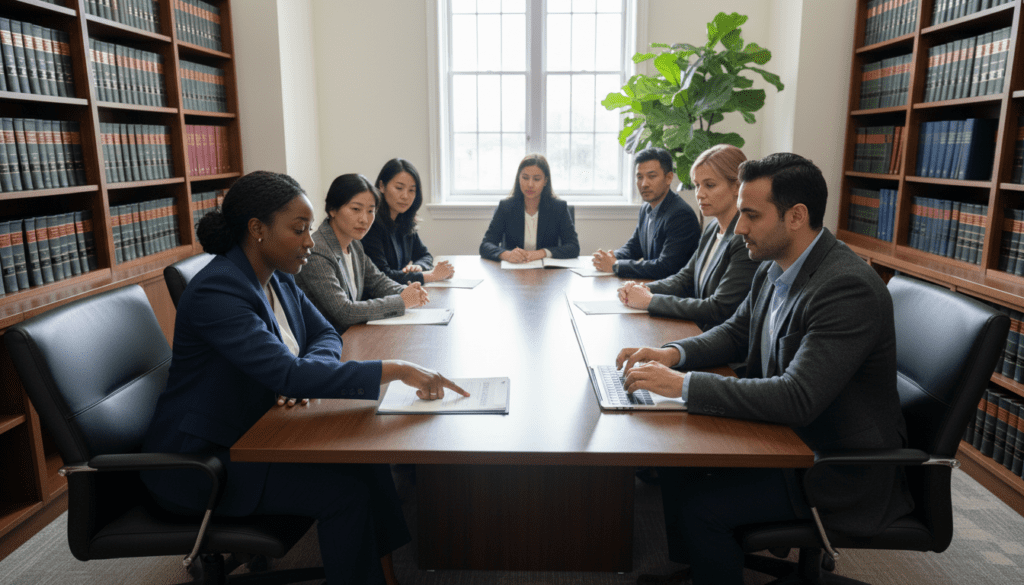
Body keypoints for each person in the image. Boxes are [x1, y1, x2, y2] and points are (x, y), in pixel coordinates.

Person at [142, 170, 467, 585]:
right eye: (298, 230)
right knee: (345, 494)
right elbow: (288, 373)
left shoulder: (279, 275)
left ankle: (385, 576)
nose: (311, 241)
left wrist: (304, 374)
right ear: (257, 230)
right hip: (202, 463)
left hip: (257, 430)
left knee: (366, 464)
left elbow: (325, 334)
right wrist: (396, 370)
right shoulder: (217, 291)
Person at [616, 154, 913, 585]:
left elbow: (797, 397)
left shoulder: (845, 288)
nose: (739, 228)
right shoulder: (773, 266)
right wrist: (671, 354)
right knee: (678, 462)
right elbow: (734, 334)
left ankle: (711, 556)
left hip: (832, 465)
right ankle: (707, 565)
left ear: (796, 217)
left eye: (751, 215)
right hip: (786, 440)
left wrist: (683, 386)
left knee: (704, 506)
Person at [617, 145, 760, 331]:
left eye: (709, 185)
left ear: (736, 186)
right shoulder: (712, 229)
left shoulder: (745, 238)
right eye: (697, 185)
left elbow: (718, 308)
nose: (699, 194)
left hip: (722, 345)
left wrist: (651, 301)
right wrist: (641, 289)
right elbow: (685, 279)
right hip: (696, 330)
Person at [295, 174, 431, 334]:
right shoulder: (317, 250)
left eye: (371, 211)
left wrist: (406, 291)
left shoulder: (354, 244)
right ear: (332, 209)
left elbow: (378, 281)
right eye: (356, 209)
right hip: (327, 342)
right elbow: (344, 312)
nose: (364, 219)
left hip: (353, 334)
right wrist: (401, 301)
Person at [592, 147, 700, 279]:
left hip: (672, 294)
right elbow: (634, 247)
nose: (644, 184)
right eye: (639, 177)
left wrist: (616, 265)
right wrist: (610, 257)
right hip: (651, 286)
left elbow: (666, 267)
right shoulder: (645, 208)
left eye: (652, 176)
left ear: (669, 178)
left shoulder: (681, 215)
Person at [363, 158, 454, 284]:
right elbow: (382, 277)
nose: (405, 196)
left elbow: (425, 256)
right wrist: (431, 275)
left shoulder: (404, 220)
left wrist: (418, 267)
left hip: (398, 293)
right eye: (399, 188)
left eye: (411, 190)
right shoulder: (371, 224)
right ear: (382, 186)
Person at [479, 153, 580, 263]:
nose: (530, 184)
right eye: (525, 178)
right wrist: (507, 255)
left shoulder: (559, 208)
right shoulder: (506, 207)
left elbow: (573, 247)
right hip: (513, 272)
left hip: (547, 274)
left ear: (545, 181)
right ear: (519, 178)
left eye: (536, 179)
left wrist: (541, 253)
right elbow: (485, 245)